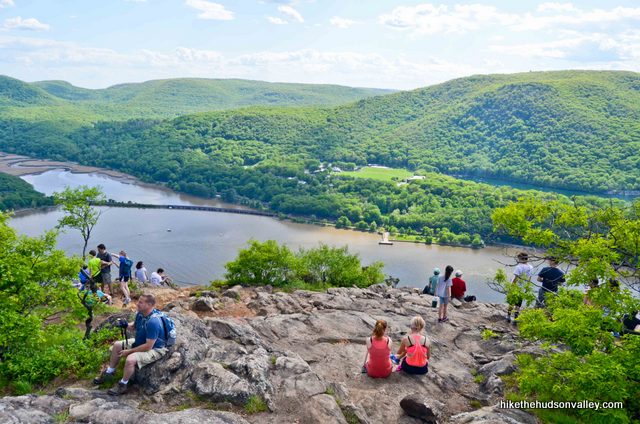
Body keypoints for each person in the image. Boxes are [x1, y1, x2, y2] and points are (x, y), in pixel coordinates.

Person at [93, 294, 168, 395]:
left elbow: (148, 346)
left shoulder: (153, 322)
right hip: (141, 342)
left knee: (130, 359)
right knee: (117, 345)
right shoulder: (141, 314)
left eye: (141, 302)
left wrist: (129, 351)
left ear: (149, 305)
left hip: (155, 348)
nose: (137, 304)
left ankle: (123, 384)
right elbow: (133, 326)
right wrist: (125, 325)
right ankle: (109, 373)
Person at [508, 252, 534, 322]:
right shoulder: (531, 267)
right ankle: (516, 316)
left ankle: (509, 316)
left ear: (520, 258)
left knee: (512, 301)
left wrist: (512, 286)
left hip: (516, 287)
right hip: (523, 287)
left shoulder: (519, 267)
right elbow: (529, 278)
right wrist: (527, 287)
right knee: (519, 303)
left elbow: (516, 278)